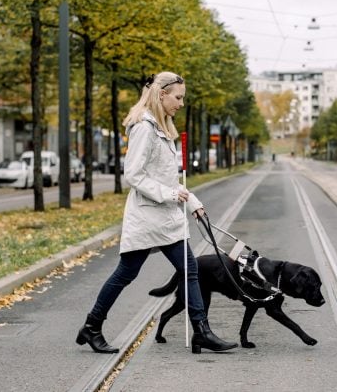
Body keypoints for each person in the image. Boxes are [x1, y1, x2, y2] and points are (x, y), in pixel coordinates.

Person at [76, 72, 237, 354]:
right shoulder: (144, 128)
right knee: (125, 274)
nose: (181, 103)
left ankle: (202, 331)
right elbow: (134, 175)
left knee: (190, 271)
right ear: (162, 94)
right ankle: (91, 327)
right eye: (178, 97)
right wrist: (173, 195)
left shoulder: (162, 129)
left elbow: (166, 177)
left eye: (183, 98)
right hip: (148, 218)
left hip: (167, 218)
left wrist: (192, 202)